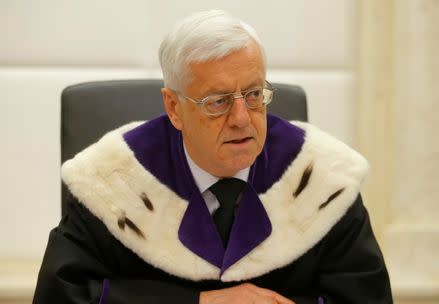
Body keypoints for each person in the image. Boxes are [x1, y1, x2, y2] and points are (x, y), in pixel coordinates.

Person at [33, 10, 393, 304]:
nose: (241, 119)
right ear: (174, 108)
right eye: (217, 102)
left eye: (254, 94)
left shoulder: (319, 178)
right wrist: (197, 303)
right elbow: (62, 296)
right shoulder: (114, 180)